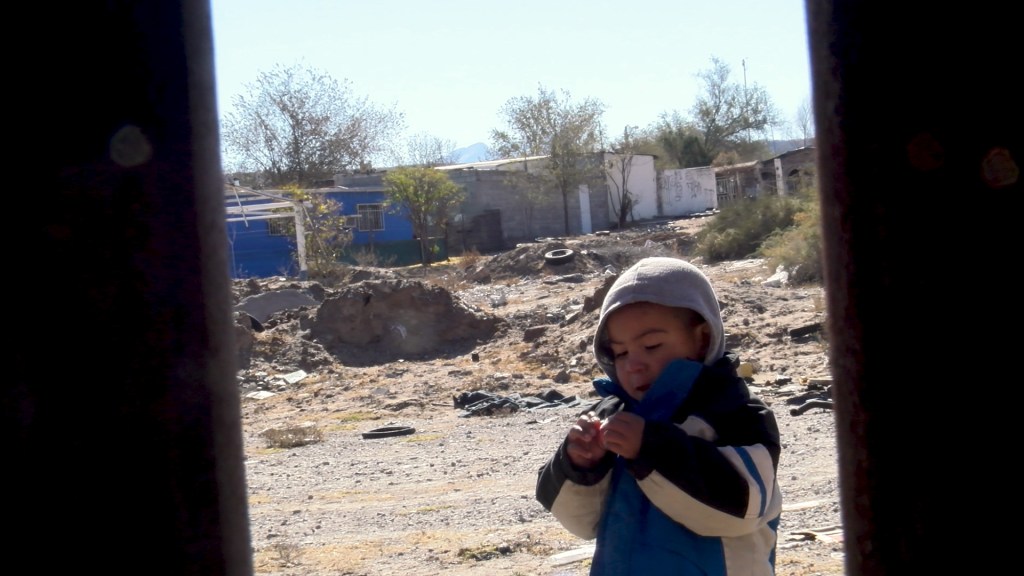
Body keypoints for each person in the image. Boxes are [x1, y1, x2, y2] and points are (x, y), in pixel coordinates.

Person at [535, 256, 782, 575]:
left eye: (651, 345)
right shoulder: (613, 413)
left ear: (701, 338)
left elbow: (742, 509)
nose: (633, 364)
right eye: (620, 352)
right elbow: (583, 523)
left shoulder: (734, 412)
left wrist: (650, 448)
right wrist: (580, 465)